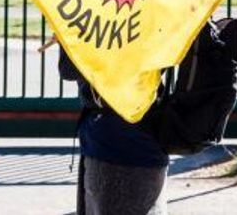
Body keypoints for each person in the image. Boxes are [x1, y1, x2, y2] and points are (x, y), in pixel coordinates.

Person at [58, 51, 169, 215]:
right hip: (149, 130)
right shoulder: (159, 25)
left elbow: (69, 69)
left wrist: (66, 36)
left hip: (108, 139)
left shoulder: (90, 25)